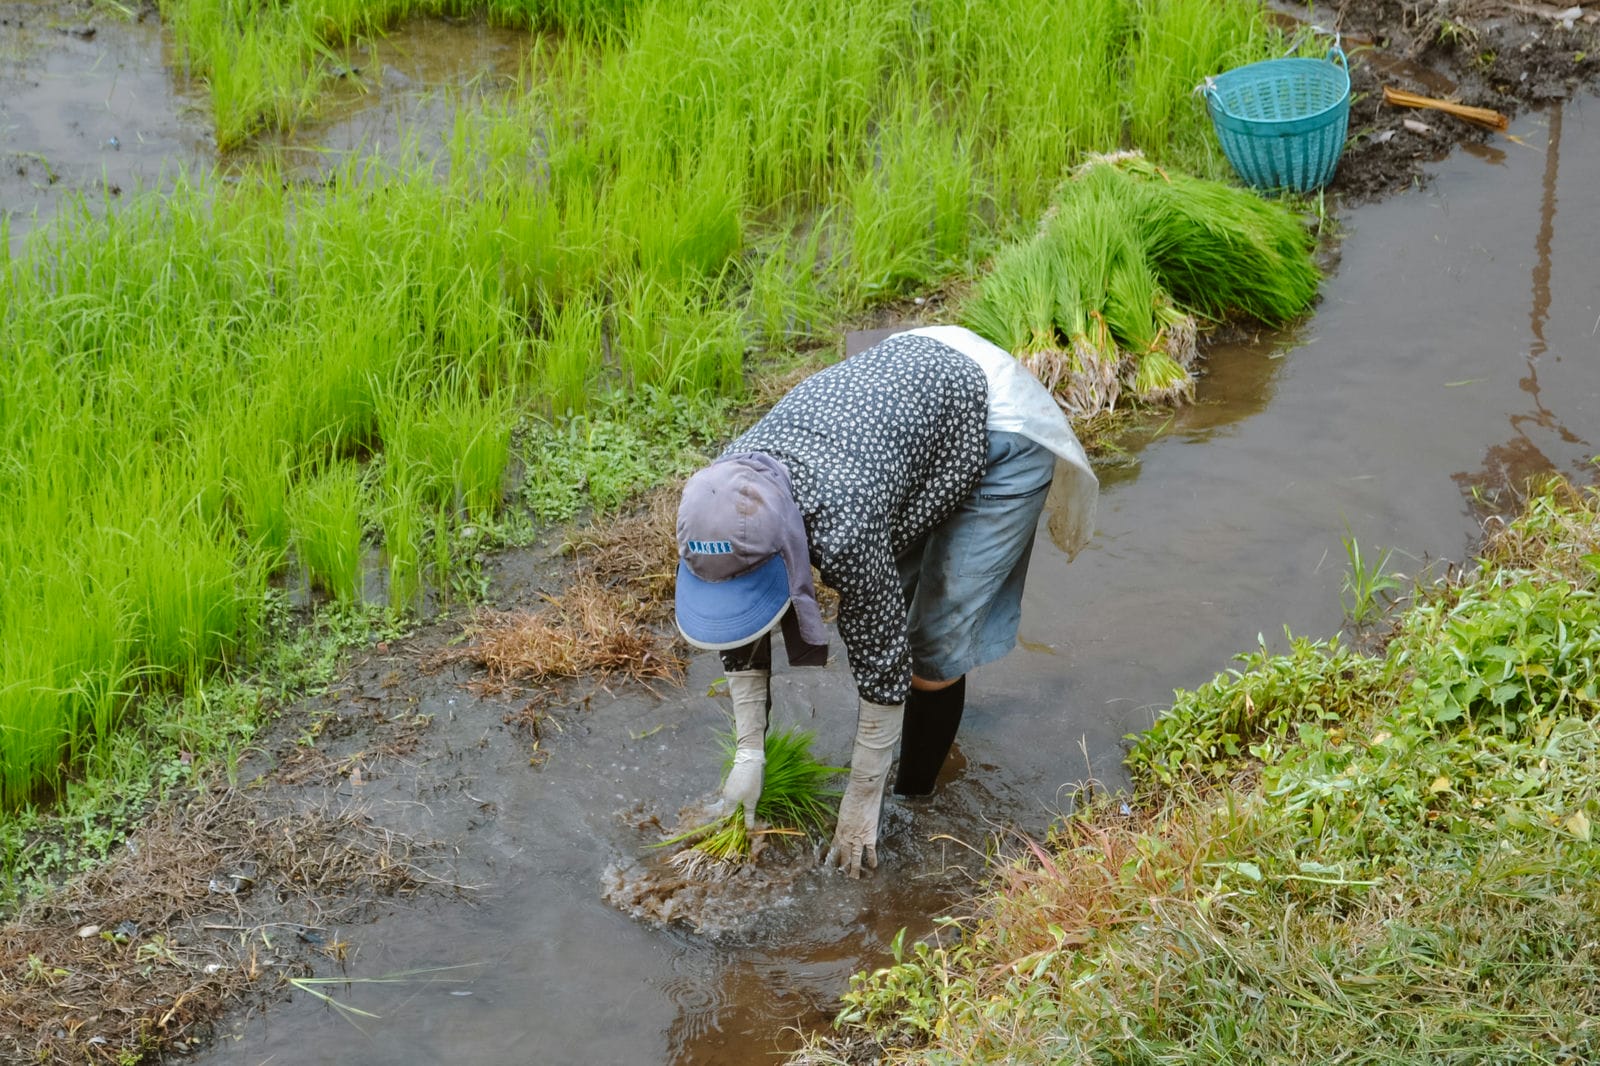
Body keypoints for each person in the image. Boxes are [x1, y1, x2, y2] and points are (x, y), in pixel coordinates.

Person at [673, 326, 1098, 877]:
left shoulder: (842, 524)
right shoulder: (720, 496)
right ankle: (905, 769)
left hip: (994, 422)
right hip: (905, 410)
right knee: (890, 595)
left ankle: (918, 802)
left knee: (931, 646)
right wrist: (749, 751)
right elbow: (739, 619)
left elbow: (883, 658)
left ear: (789, 548)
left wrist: (864, 799)